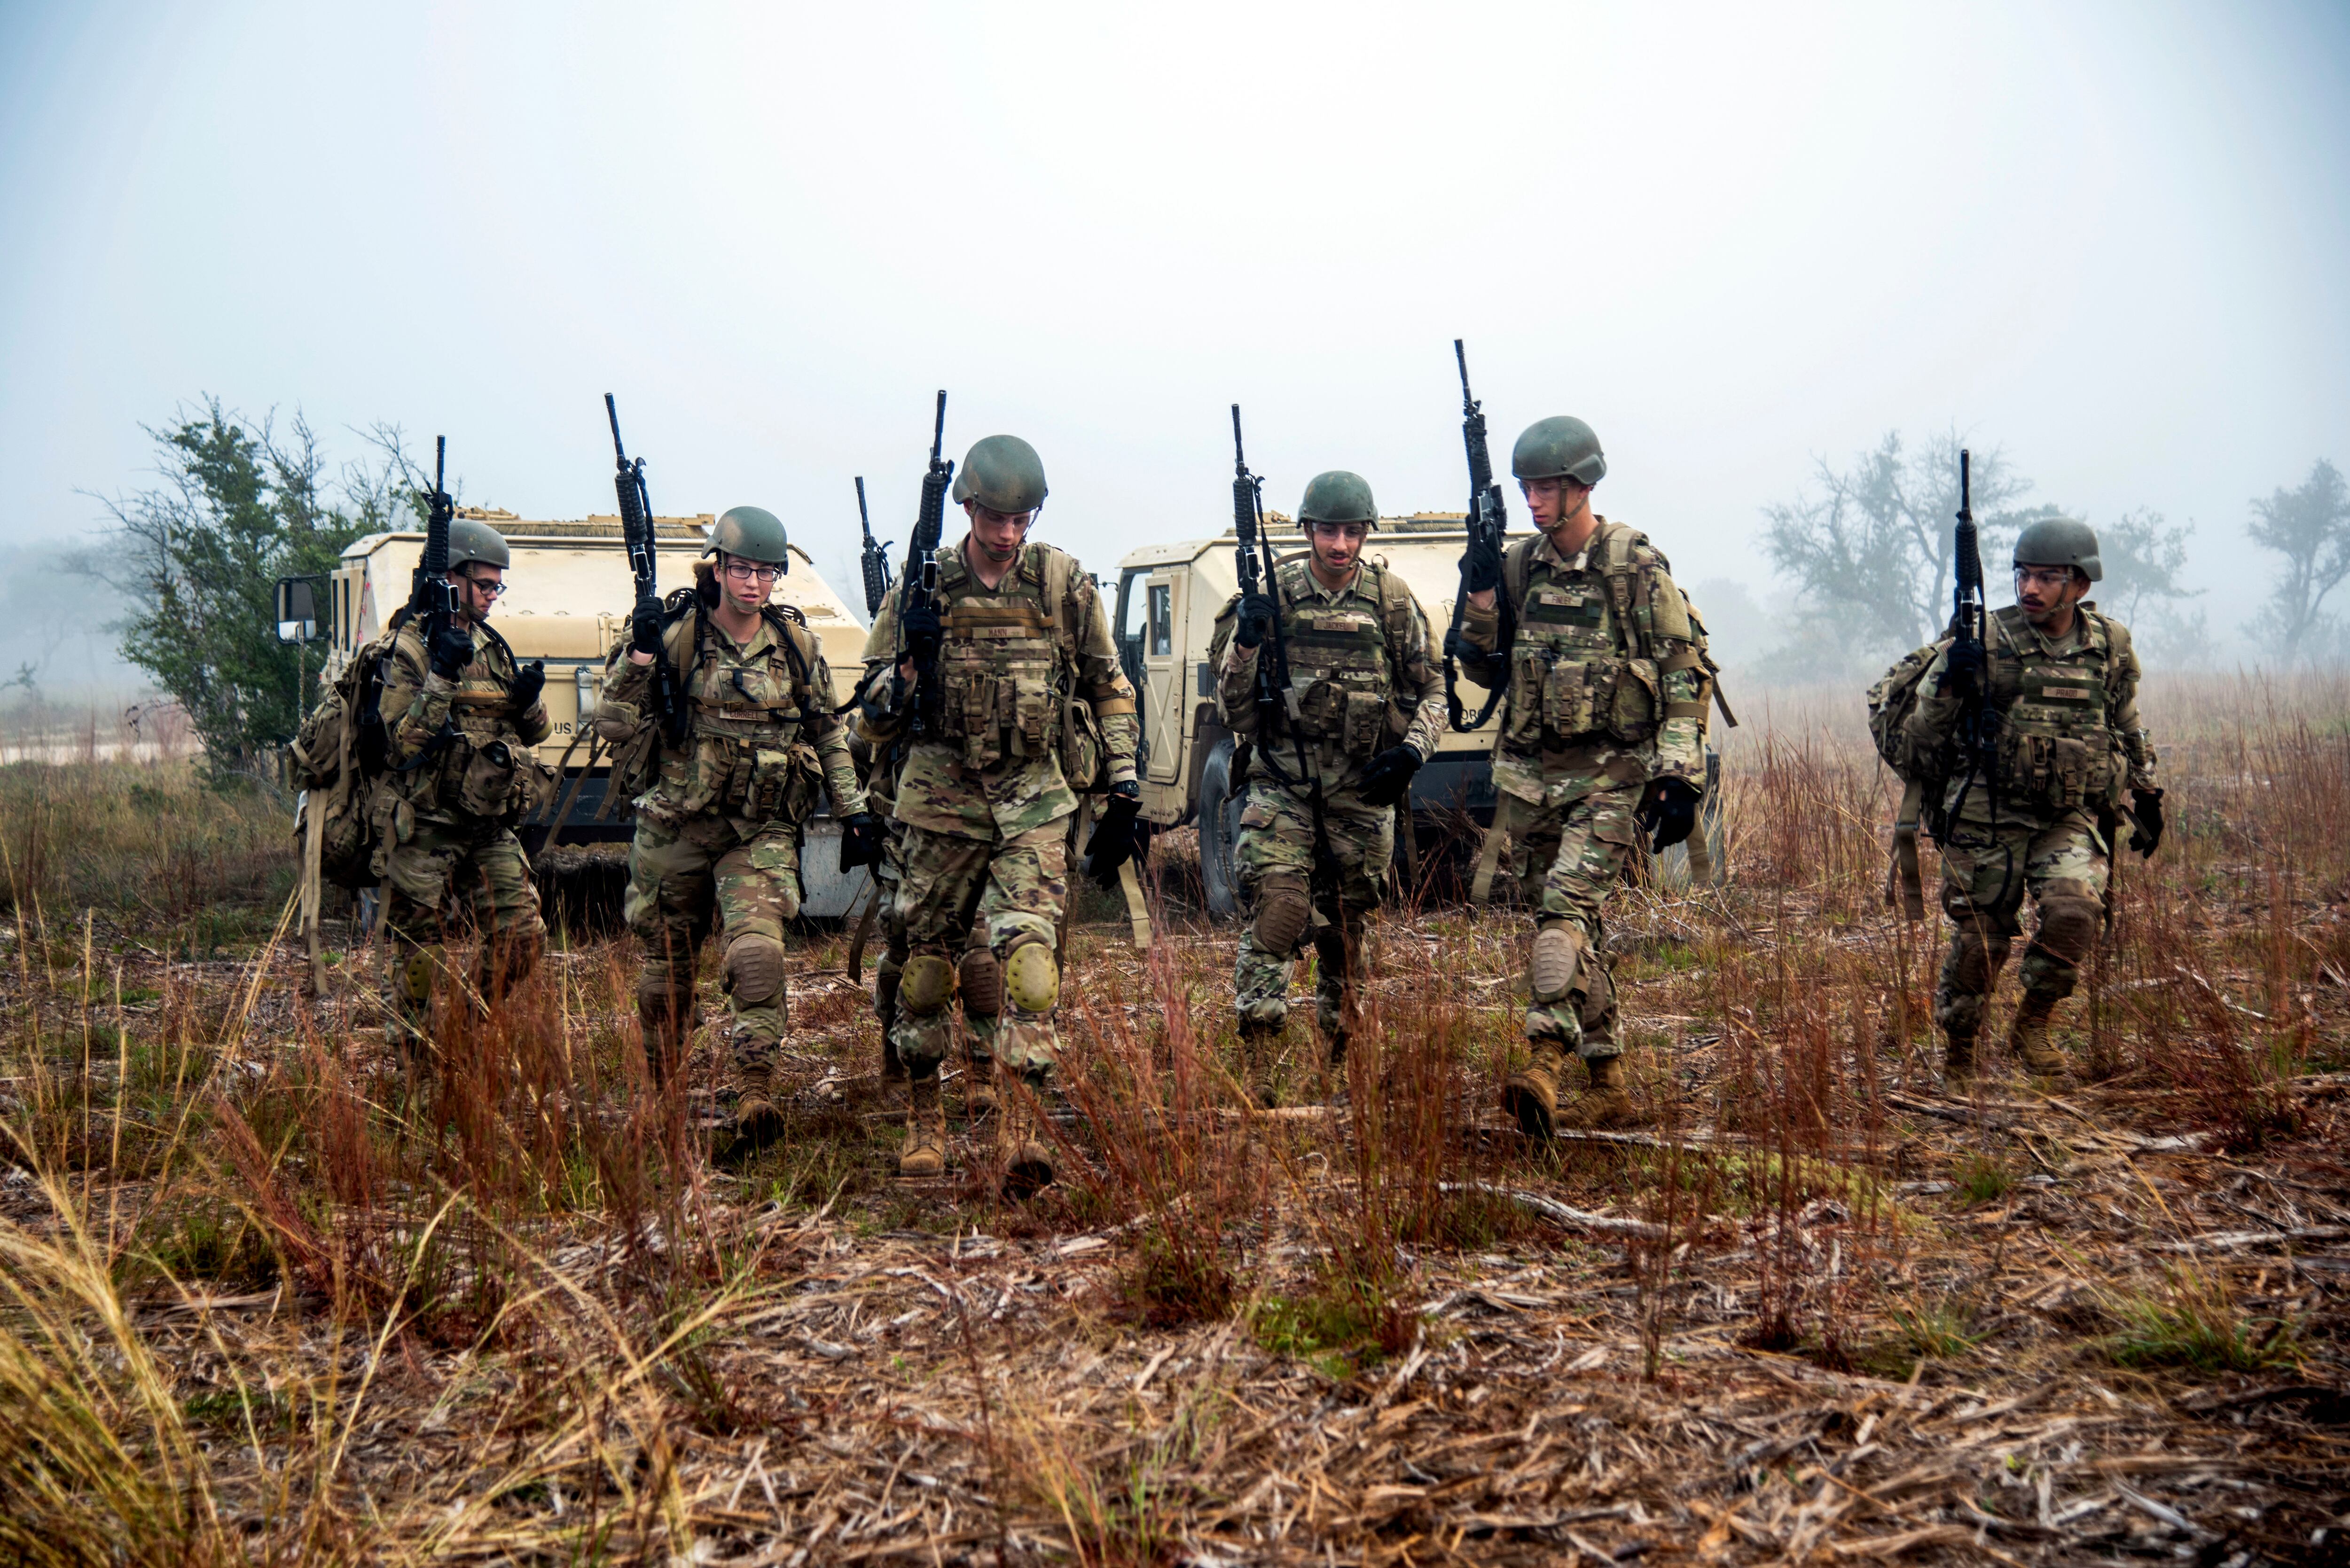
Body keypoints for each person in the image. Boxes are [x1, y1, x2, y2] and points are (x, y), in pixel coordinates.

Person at [858, 434, 1141, 1192]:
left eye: (1022, 517)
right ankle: (925, 1114)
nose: (1009, 533)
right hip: (941, 806)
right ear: (967, 508)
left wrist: (1125, 780)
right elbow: (870, 722)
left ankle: (1022, 1121)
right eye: (994, 516)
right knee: (926, 970)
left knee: (1032, 965)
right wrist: (908, 670)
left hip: (1034, 802)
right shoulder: (921, 593)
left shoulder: (1061, 584)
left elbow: (1110, 684)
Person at [594, 506, 883, 1155]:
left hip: (759, 831)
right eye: (742, 569)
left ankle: (755, 1091)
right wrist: (638, 654)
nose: (753, 583)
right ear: (719, 568)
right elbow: (611, 721)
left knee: (758, 955)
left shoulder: (795, 645)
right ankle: (664, 1096)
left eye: (765, 572)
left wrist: (854, 811)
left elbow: (827, 733)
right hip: (675, 825)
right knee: (666, 972)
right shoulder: (676, 634)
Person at [1454, 417, 1714, 1135]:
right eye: (1527, 488)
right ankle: (1611, 1080)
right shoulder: (1518, 569)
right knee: (1577, 930)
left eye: (1546, 488)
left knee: (1560, 918)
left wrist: (1680, 777)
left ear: (1582, 487)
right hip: (1535, 782)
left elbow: (1682, 676)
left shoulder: (1634, 569)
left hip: (1611, 778)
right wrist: (1477, 602)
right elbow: (1484, 671)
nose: (1534, 502)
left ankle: (1543, 1062)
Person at [1207, 471, 1444, 1105]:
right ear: (1308, 530)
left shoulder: (1392, 602)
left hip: (1361, 792)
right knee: (1279, 911)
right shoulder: (1272, 597)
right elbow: (1232, 708)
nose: (1339, 545)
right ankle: (1260, 1066)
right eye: (1327, 531)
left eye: (1351, 531)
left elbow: (1434, 690)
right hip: (1280, 783)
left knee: (1345, 930)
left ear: (1365, 532)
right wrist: (1248, 643)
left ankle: (1339, 1066)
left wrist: (1412, 752)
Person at [1904, 517, 2162, 1083]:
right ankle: (1960, 1050)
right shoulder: (1986, 638)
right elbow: (1923, 736)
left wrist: (2146, 792)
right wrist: (1949, 677)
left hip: (2064, 812)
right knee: (1982, 937)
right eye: (2023, 574)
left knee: (2075, 911)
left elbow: (2124, 720)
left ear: (2080, 586)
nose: (2029, 589)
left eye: (2047, 577)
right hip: (1985, 812)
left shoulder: (2108, 644)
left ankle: (2033, 1024)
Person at [373, 515, 552, 1067]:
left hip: (485, 819)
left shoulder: (493, 646)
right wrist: (443, 672)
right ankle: (415, 1063)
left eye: (499, 586)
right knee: (419, 956)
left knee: (523, 937)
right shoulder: (408, 647)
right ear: (451, 578)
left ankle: (462, 1030)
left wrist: (526, 700)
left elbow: (535, 731)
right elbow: (402, 743)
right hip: (424, 820)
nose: (492, 596)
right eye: (484, 585)